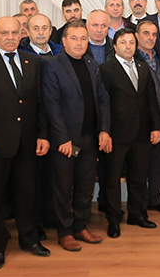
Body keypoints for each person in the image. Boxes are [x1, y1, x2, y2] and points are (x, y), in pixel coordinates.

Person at [0, 16, 52, 268]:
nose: (11, 37)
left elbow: (39, 103)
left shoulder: (32, 62)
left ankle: (29, 240)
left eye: (15, 32)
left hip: (27, 143)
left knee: (27, 195)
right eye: (5, 33)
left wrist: (43, 134)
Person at [43, 22, 111, 251]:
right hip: (66, 140)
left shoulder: (91, 65)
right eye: (74, 38)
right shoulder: (52, 65)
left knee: (85, 185)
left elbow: (103, 99)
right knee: (63, 187)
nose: (79, 43)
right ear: (64, 41)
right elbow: (51, 105)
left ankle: (80, 226)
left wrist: (104, 130)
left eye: (83, 38)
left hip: (90, 137)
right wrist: (62, 138)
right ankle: (64, 231)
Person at [98, 29, 160, 237]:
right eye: (123, 42)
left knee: (138, 176)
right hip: (116, 135)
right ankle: (113, 219)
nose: (128, 46)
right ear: (115, 46)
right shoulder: (105, 69)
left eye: (131, 42)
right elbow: (103, 104)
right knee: (112, 179)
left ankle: (137, 214)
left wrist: (156, 127)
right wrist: (105, 132)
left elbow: (152, 100)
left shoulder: (143, 68)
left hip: (142, 133)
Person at [135, 20, 160, 215]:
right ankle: (140, 203)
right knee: (141, 162)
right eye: (146, 33)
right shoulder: (132, 59)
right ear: (137, 36)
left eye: (154, 34)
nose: (150, 38)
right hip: (142, 120)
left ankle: (155, 199)